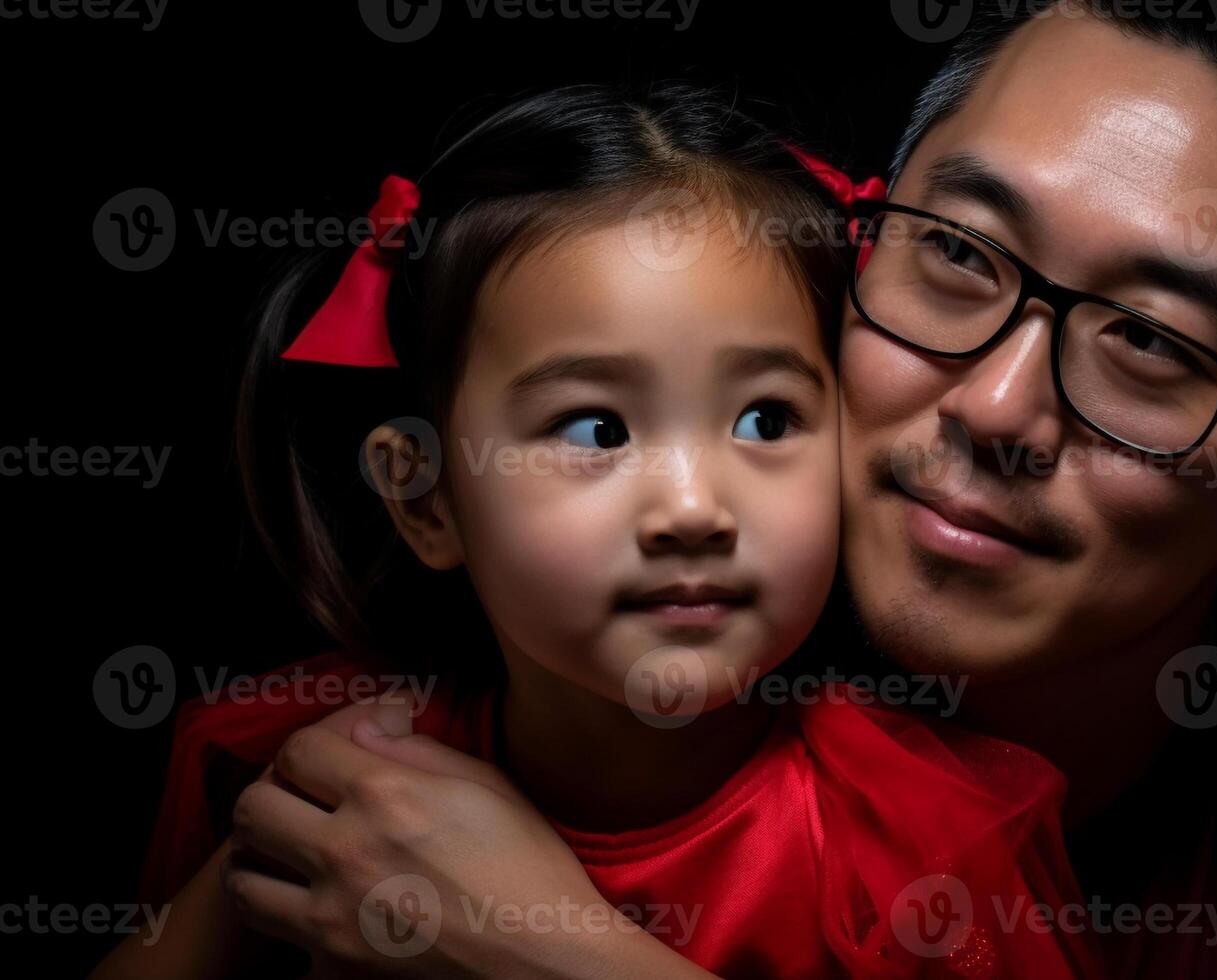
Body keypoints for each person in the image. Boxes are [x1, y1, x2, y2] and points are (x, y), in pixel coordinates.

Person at [92, 83, 1099, 979]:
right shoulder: (322, 777)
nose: (694, 509)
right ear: (426, 498)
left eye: (766, 420)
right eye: (596, 429)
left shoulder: (923, 852)